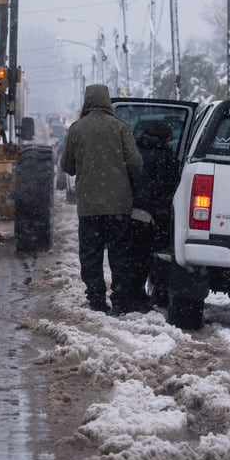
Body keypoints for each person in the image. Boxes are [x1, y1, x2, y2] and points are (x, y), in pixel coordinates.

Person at [59, 84, 143, 313]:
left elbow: (67, 166)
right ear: (108, 102)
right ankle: (120, 300)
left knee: (91, 254)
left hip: (89, 207)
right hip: (119, 206)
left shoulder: (77, 129)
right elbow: (136, 165)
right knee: (120, 254)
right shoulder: (121, 128)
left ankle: (96, 298)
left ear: (87, 101)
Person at [124, 122, 178, 313]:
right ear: (165, 137)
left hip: (128, 209)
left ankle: (124, 294)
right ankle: (140, 297)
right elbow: (169, 187)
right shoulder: (165, 156)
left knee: (128, 255)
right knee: (145, 257)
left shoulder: (133, 151)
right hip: (150, 213)